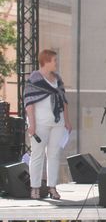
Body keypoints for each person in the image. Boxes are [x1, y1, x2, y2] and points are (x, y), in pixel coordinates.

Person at [23, 49, 71, 200]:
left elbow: (64, 101)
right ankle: (35, 188)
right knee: (37, 155)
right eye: (54, 60)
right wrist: (32, 124)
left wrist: (67, 121)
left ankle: (52, 187)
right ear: (46, 61)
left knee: (54, 154)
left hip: (58, 123)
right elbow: (29, 102)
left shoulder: (58, 79)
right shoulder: (34, 79)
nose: (56, 63)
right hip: (40, 124)